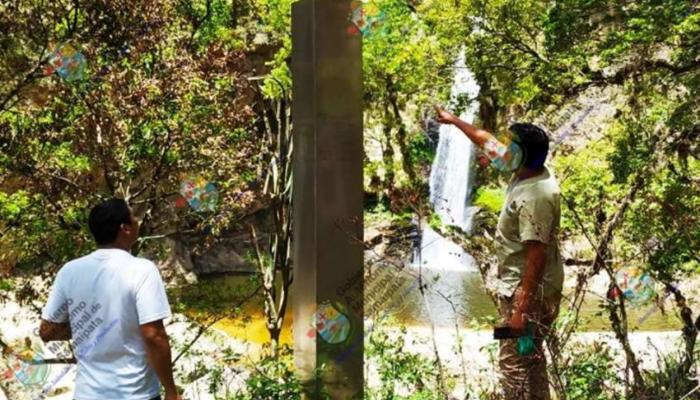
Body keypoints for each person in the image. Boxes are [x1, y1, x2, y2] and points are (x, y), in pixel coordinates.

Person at [435, 106, 563, 400]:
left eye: (511, 146)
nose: (503, 149)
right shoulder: (529, 170)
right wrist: (453, 121)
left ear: (521, 154)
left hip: (528, 296)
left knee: (512, 363)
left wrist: (520, 311)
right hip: (522, 291)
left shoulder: (536, 196)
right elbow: (486, 140)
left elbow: (536, 256)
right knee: (530, 355)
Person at [38, 199, 181, 400]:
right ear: (125, 229)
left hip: (87, 394)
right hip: (135, 394)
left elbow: (46, 331)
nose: (137, 220)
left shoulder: (69, 271)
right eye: (133, 217)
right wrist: (171, 392)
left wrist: (92, 325)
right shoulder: (142, 269)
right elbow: (153, 336)